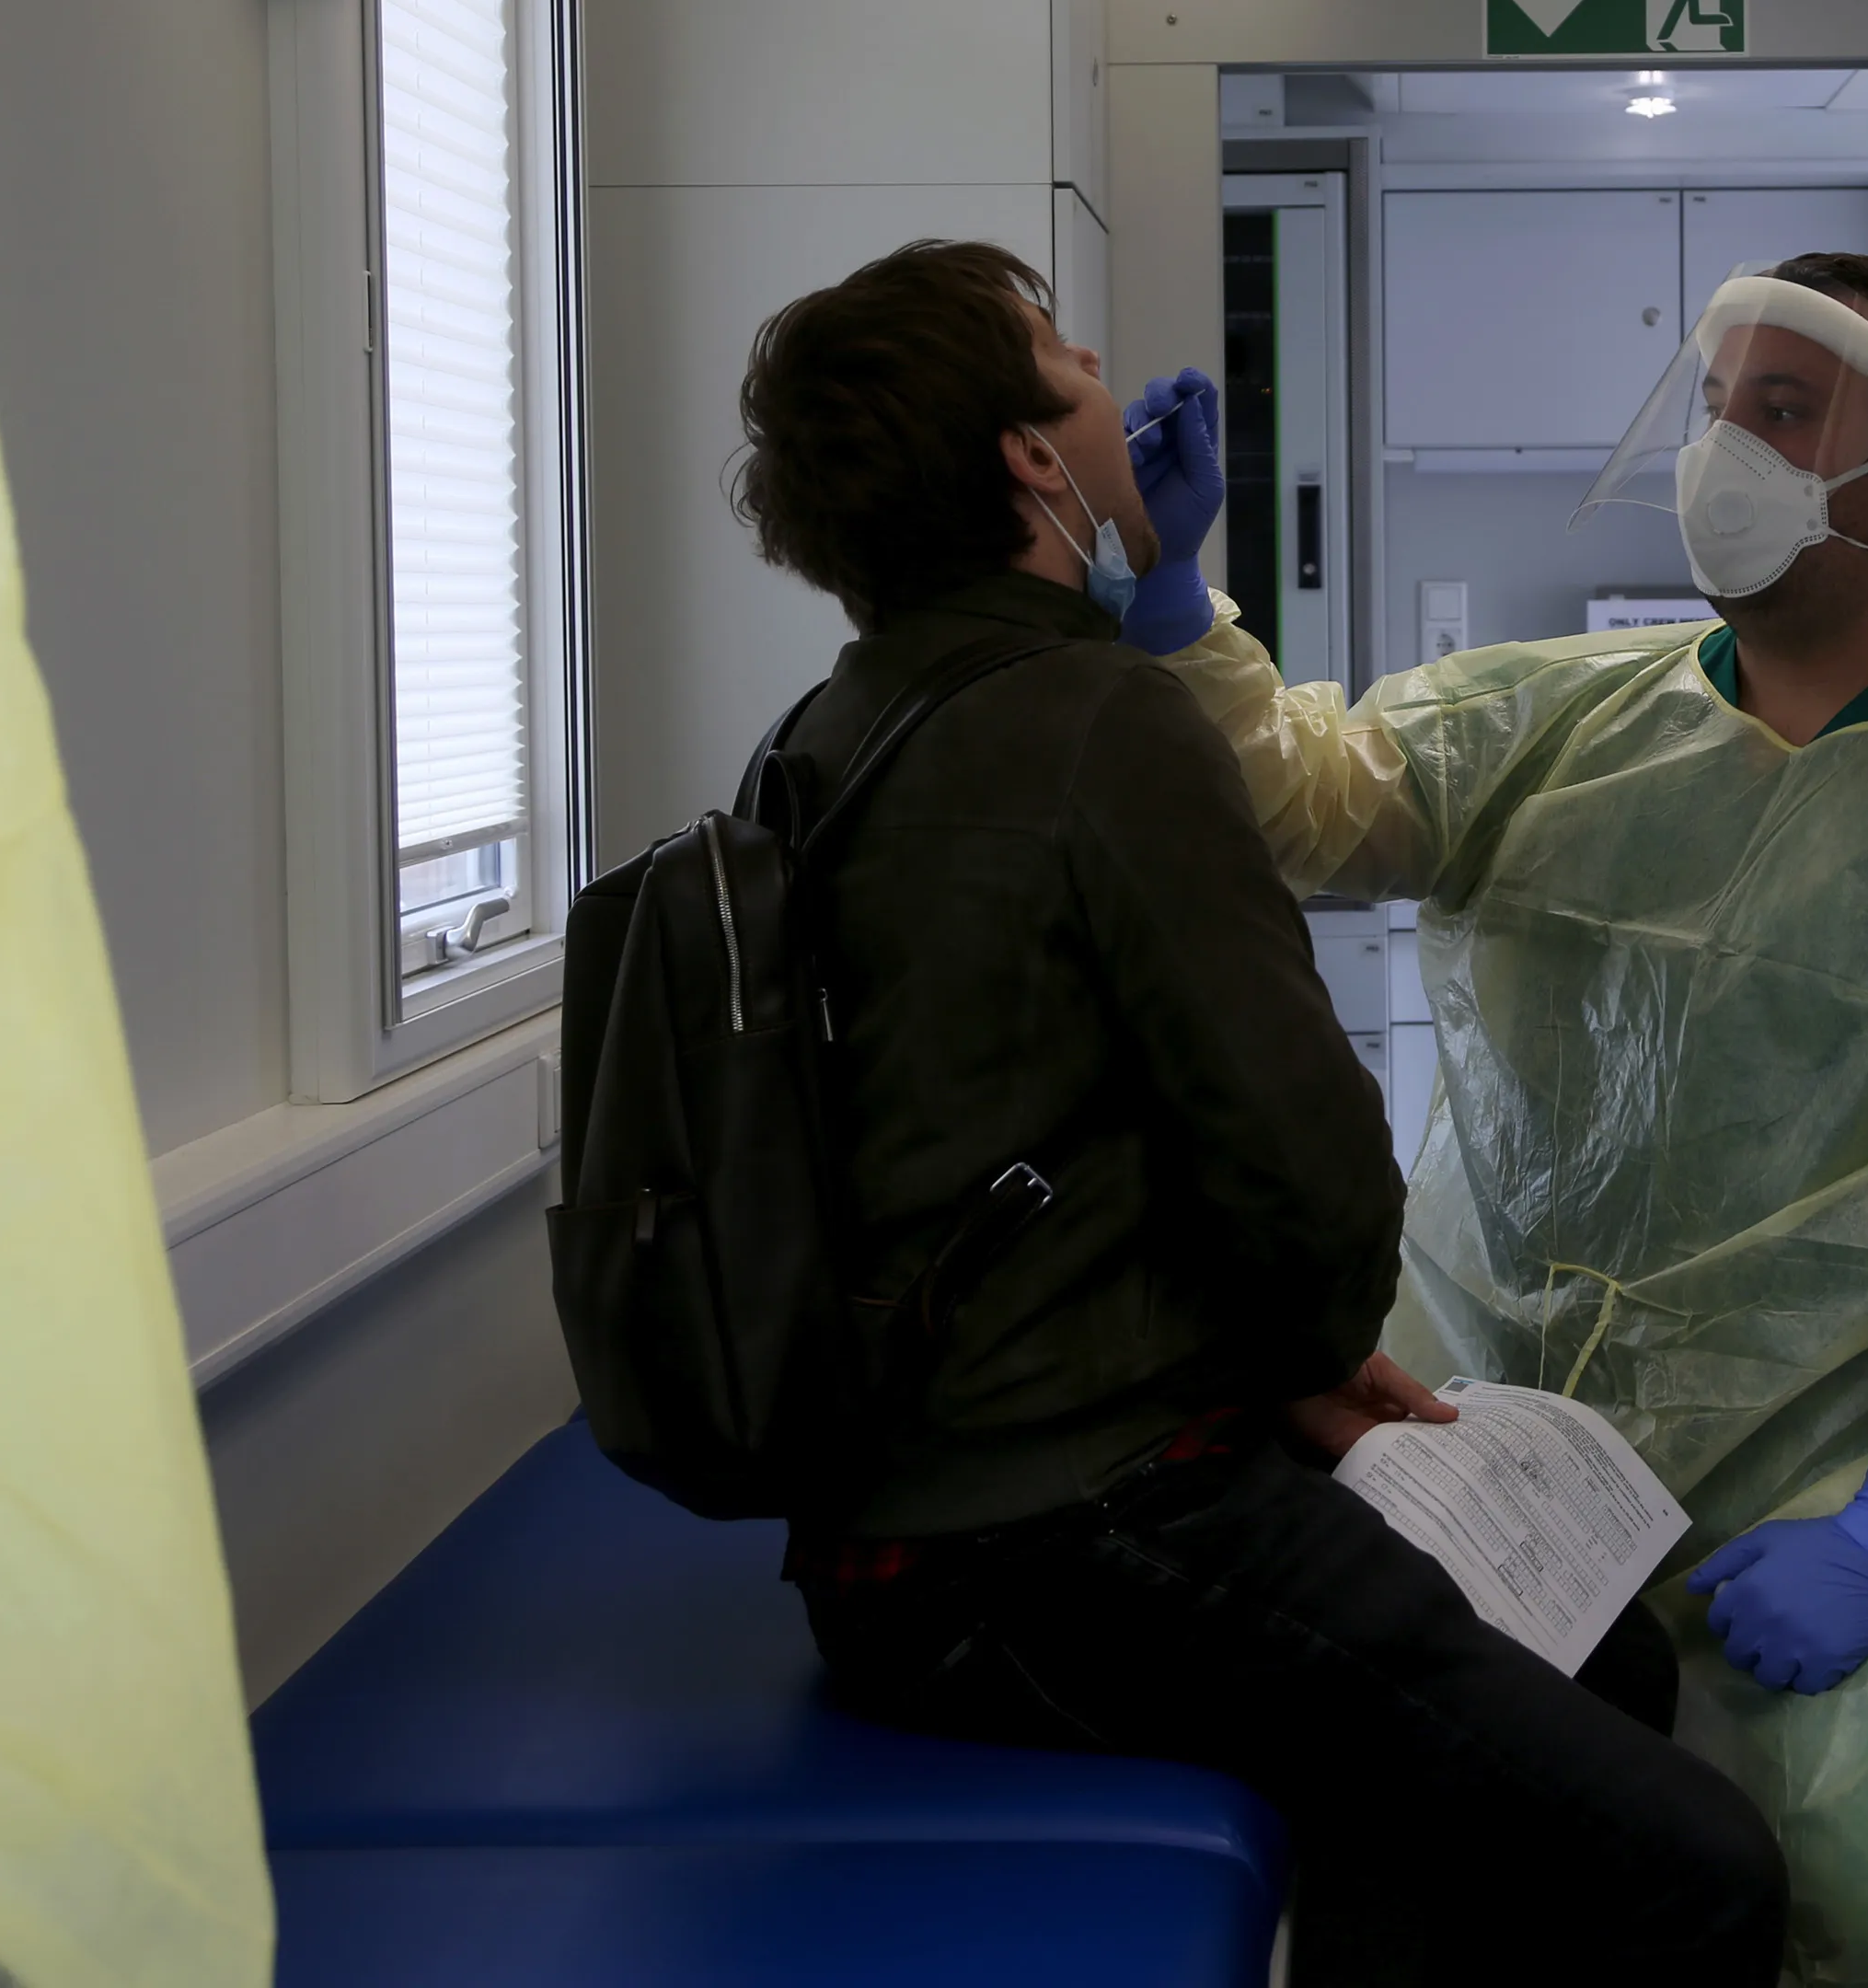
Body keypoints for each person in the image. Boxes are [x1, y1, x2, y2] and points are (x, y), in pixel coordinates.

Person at [1124, 254, 1868, 1988]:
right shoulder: (1567, 716)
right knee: (1510, 1906)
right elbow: (1308, 807)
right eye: (1716, 412)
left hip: (1852, 1511)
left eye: (1785, 416)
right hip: (1523, 1488)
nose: (1730, 456)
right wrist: (1183, 611)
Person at [726, 238, 1789, 1988]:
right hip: (1062, 1541)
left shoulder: (831, 734)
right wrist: (1307, 1365)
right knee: (1696, 1874)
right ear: (1026, 463)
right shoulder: (1097, 726)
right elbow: (1308, 1174)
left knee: (1596, 1662)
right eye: (1061, 356)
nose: (1100, 374)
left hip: (890, 1535)